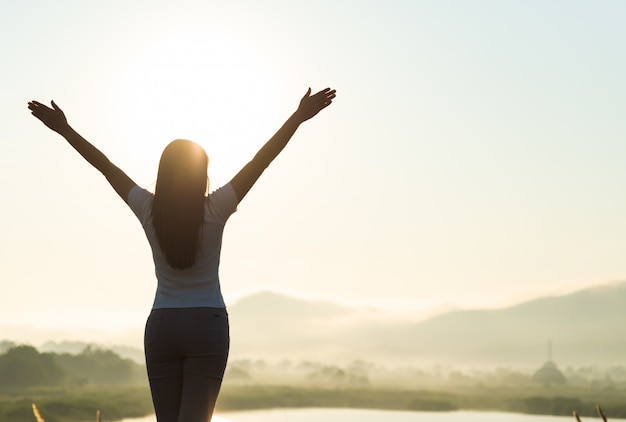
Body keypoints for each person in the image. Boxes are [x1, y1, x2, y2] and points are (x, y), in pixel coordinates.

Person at [27, 86, 336, 422]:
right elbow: (259, 162)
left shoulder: (147, 208)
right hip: (207, 325)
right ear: (201, 174)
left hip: (163, 326)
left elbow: (106, 166)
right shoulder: (216, 207)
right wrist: (297, 118)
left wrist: (65, 129)